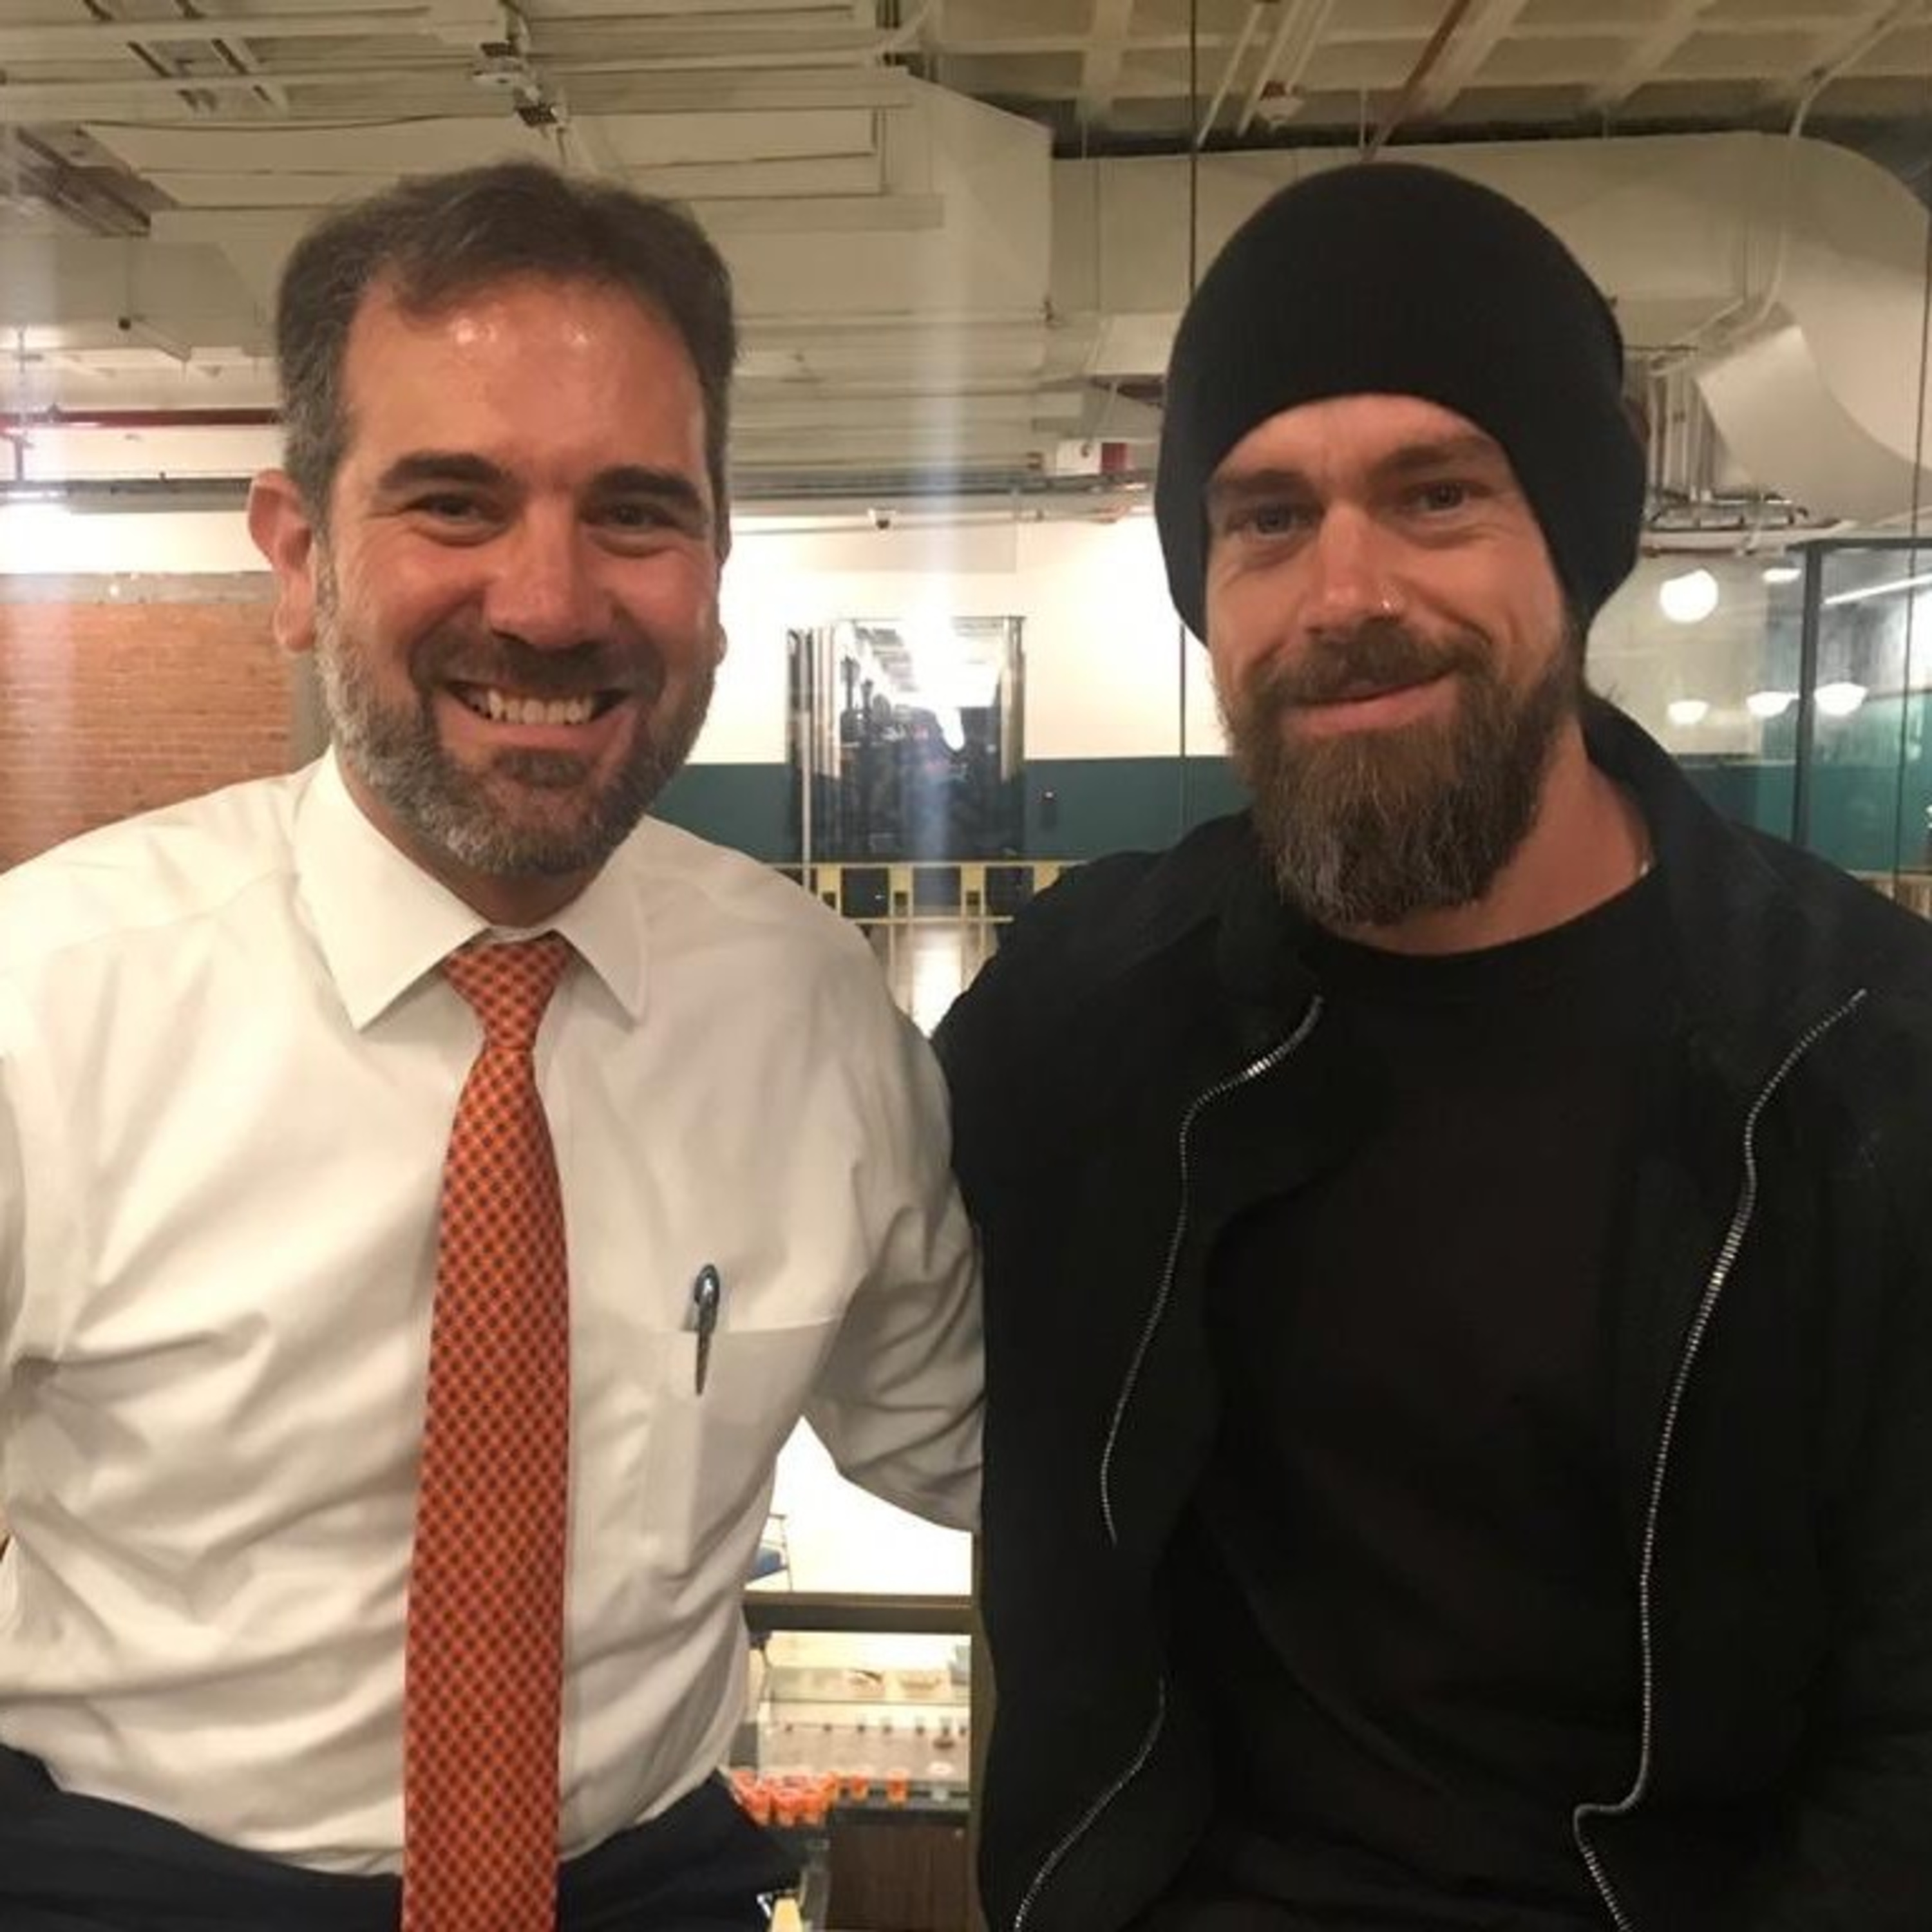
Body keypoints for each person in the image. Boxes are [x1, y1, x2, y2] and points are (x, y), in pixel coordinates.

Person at [938, 161, 1932, 1931]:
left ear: (1577, 543)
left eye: (1438, 494)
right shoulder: (1094, 1014)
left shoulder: (1863, 1067)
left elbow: (1911, 1754)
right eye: (1267, 517)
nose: (1347, 593)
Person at [0, 160, 980, 1932]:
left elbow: (980, 1441)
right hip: (135, 1886)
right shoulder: (46, 1010)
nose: (547, 603)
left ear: (716, 571)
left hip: (646, 1888)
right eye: (453, 502)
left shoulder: (809, 1010)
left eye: (635, 513)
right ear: (297, 558)